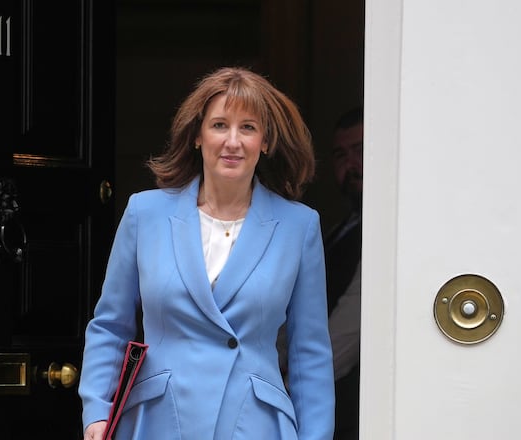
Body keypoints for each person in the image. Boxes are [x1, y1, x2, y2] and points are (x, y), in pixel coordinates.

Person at [78, 66, 334, 440]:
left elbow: (309, 353)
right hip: (159, 421)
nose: (233, 141)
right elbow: (111, 325)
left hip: (253, 424)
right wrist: (97, 411)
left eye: (248, 127)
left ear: (265, 141)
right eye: (219, 125)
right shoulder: (145, 214)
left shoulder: (299, 226)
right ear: (197, 135)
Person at [324, 106, 363, 440]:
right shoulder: (338, 231)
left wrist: (291, 385)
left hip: (351, 407)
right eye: (341, 155)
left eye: (360, 151)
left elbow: (351, 326)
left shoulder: (387, 231)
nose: (351, 165)